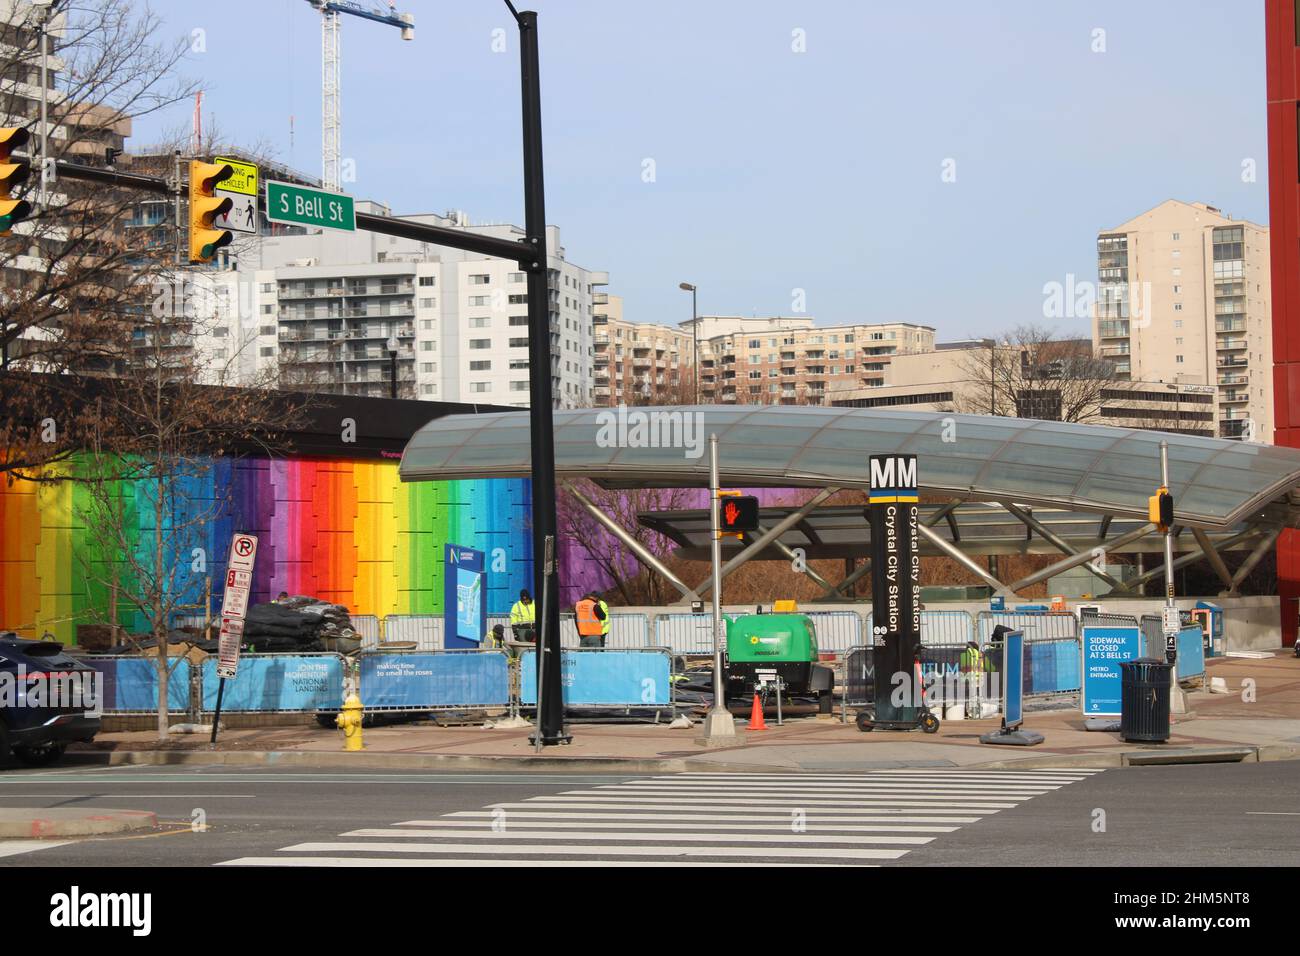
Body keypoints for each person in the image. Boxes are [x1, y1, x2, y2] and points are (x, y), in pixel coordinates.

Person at [959, 640, 986, 718]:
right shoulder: (980, 654)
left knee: (969, 696)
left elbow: (964, 668)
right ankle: (977, 712)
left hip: (969, 678)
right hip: (979, 678)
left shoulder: (966, 654)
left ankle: (971, 712)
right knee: (977, 696)